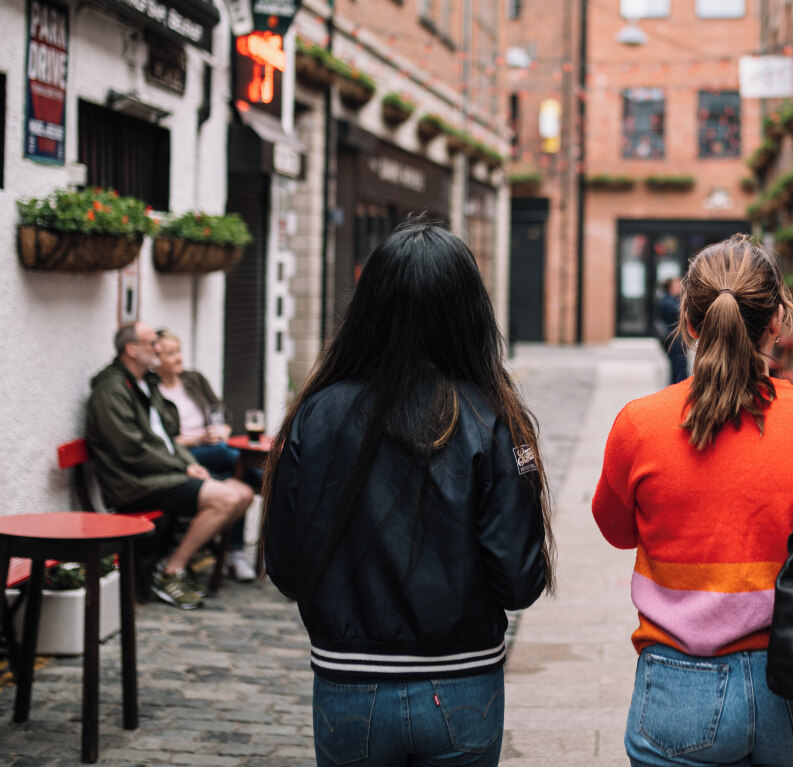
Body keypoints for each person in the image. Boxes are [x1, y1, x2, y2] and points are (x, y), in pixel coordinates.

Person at [592, 234, 793, 767]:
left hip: (680, 688)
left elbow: (616, 530)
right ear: (777, 322)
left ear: (688, 322)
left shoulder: (640, 425)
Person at [264, 220, 553, 767]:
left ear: (369, 306)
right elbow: (519, 581)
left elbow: (285, 566)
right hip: (462, 681)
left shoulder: (315, 415)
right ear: (469, 312)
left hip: (348, 685)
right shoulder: (492, 418)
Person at [87, 322, 255, 609]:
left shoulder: (144, 383)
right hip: (134, 483)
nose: (158, 348)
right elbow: (131, 449)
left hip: (160, 474)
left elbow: (166, 436)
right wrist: (182, 467)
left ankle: (173, 563)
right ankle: (171, 570)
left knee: (244, 492)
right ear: (131, 350)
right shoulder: (112, 390)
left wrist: (189, 463)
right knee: (227, 497)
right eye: (153, 344)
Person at [153, 329, 257, 583]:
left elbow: (223, 415)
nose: (179, 358)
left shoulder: (193, 379)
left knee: (240, 484)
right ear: (156, 360)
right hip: (183, 455)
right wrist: (198, 439)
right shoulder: (152, 391)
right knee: (231, 456)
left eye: (179, 351)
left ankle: (234, 553)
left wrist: (222, 430)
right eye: (170, 354)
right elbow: (160, 442)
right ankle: (269, 476)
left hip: (213, 452)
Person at [657, 276, 689, 385]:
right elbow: (681, 314)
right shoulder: (668, 302)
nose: (680, 288)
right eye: (677, 286)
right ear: (670, 288)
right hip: (674, 340)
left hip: (676, 339)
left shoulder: (673, 301)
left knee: (679, 366)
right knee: (678, 367)